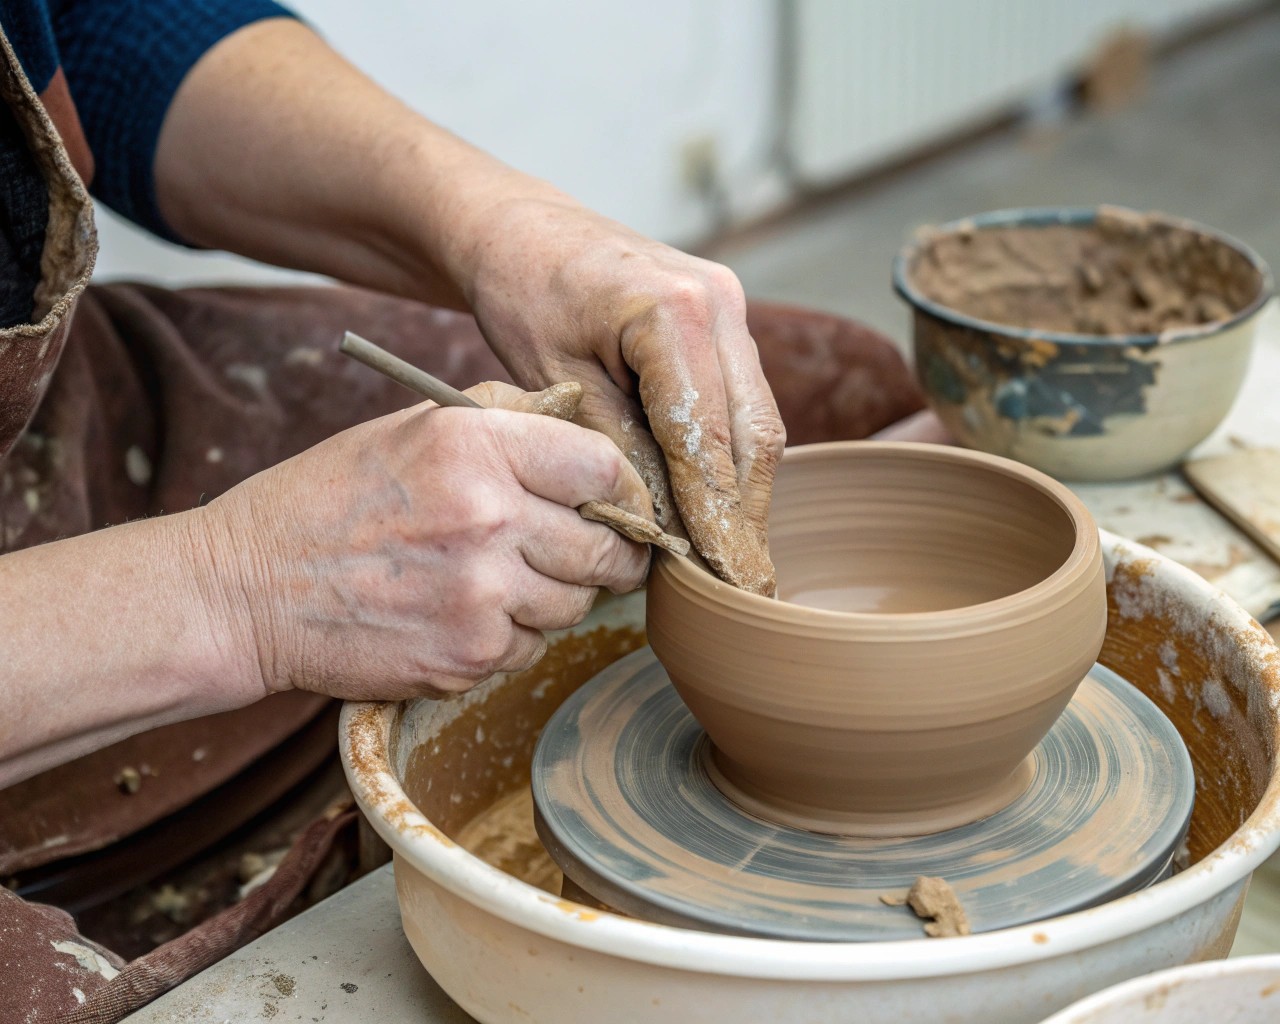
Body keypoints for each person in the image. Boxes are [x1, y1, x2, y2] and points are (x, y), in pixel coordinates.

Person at [0, 4, 931, 1020]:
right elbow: (243, 581)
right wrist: (243, 584)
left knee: (823, 387)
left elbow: (94, 25)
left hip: (43, 429)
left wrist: (503, 226)